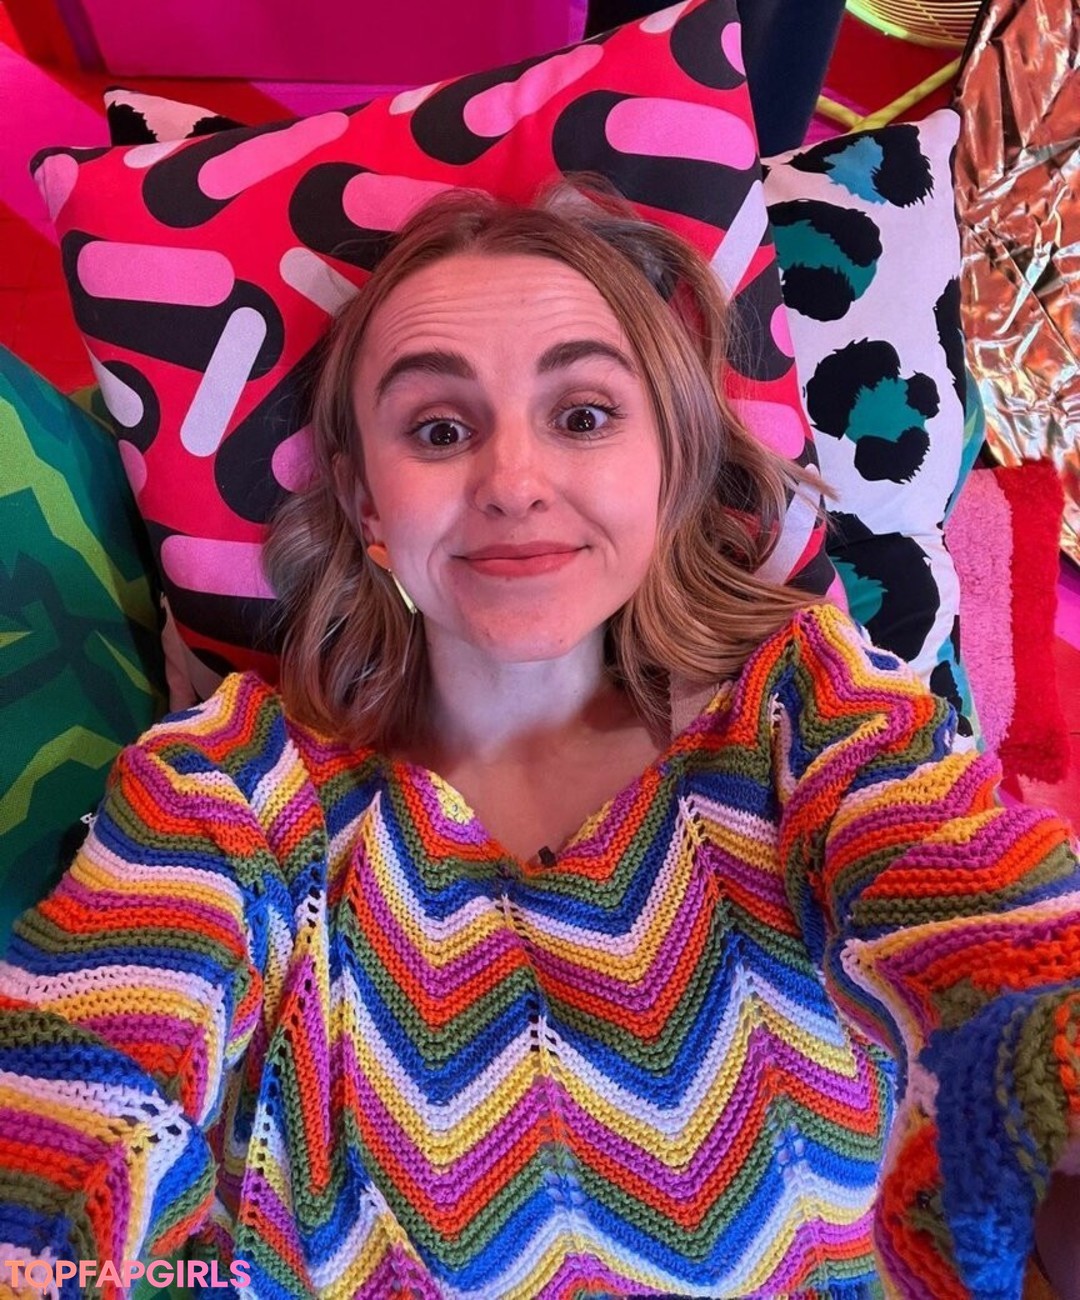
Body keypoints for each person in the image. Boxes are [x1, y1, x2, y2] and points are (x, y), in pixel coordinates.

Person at [0, 180, 1077, 1300]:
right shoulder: (230, 787)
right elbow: (71, 1112)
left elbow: (1002, 948)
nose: (512, 483)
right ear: (366, 506)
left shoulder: (813, 716)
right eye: (439, 430)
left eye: (583, 416)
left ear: (669, 468)